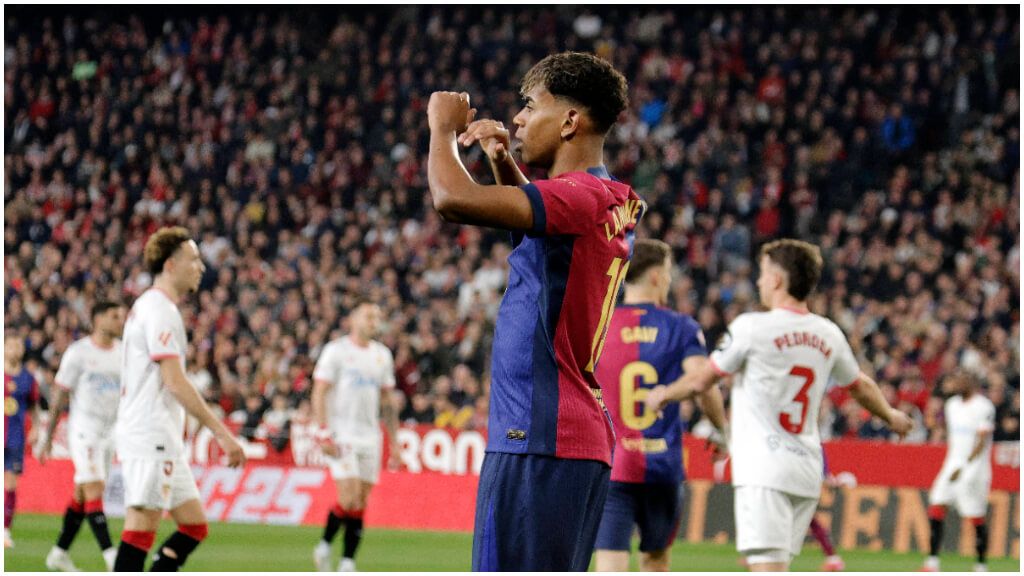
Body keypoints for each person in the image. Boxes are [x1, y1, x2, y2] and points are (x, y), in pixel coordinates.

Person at [427, 51, 642, 571]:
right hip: (564, 439)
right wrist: (504, 160)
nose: (518, 118)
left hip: (540, 435)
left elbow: (451, 199)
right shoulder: (604, 197)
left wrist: (440, 127)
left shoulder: (579, 196)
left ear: (571, 121)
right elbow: (544, 229)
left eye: (530, 105)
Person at [646, 239, 913, 572]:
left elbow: (701, 380)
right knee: (775, 566)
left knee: (767, 570)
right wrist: (890, 415)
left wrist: (663, 394)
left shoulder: (751, 328)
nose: (758, 281)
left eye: (762, 273)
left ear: (776, 279)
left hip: (764, 468)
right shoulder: (828, 333)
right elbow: (859, 386)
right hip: (805, 470)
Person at [113, 226, 246, 571]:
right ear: (171, 265)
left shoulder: (153, 306)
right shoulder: (159, 309)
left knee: (194, 526)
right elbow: (174, 381)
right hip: (150, 434)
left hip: (161, 436)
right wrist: (221, 431)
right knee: (140, 531)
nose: (200, 267)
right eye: (194, 260)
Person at [592, 239, 727, 571]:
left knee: (610, 564)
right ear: (655, 277)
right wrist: (721, 430)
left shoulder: (600, 324)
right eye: (667, 273)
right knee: (655, 562)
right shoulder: (681, 327)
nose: (670, 280)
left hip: (611, 465)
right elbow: (702, 382)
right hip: (662, 467)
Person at [310, 301, 400, 572]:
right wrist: (322, 431)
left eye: (377, 316)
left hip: (370, 436)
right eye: (368, 315)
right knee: (348, 498)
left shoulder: (382, 355)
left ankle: (346, 561)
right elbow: (320, 391)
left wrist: (395, 443)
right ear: (353, 319)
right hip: (341, 434)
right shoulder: (336, 351)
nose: (374, 321)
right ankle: (326, 546)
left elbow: (387, 401)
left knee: (360, 501)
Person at [40, 301, 126, 571]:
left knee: (82, 494)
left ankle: (58, 553)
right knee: (94, 489)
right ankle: (113, 559)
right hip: (83, 430)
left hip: (109, 432)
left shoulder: (123, 353)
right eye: (114, 317)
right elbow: (59, 394)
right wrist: (48, 437)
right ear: (98, 319)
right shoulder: (78, 353)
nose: (119, 322)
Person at [922, 370, 995, 573]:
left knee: (975, 514)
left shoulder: (984, 406)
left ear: (971, 382)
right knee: (937, 504)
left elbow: (981, 442)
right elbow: (951, 432)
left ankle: (981, 565)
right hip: (951, 465)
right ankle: (932, 562)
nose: (955, 384)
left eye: (959, 380)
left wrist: (963, 467)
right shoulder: (951, 405)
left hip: (975, 469)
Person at [4, 335, 40, 549]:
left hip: (15, 438)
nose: (15, 349)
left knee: (9, 485)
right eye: (10, 345)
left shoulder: (28, 378)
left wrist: (35, 427)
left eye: (18, 345)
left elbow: (34, 406)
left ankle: (5, 531)